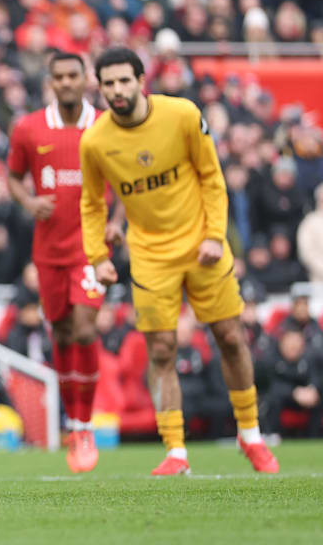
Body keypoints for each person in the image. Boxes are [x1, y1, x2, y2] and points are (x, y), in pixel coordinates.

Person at [79, 47, 279, 475]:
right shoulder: (95, 140)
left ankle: (251, 436)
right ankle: (175, 451)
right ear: (100, 88)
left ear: (140, 80)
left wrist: (214, 235)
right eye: (108, 83)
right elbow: (92, 204)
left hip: (201, 245)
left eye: (123, 80)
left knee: (229, 335)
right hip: (150, 255)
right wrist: (98, 256)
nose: (116, 90)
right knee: (162, 348)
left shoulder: (183, 114)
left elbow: (211, 175)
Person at [6, 51, 113, 473]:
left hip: (90, 249)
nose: (67, 82)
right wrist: (30, 201)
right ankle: (74, 423)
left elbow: (122, 182)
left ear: (86, 79)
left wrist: (117, 224)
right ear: (51, 81)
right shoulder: (29, 127)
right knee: (64, 335)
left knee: (85, 329)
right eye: (60, 77)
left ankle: (84, 426)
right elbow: (13, 176)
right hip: (48, 252)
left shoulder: (105, 125)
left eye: (74, 75)